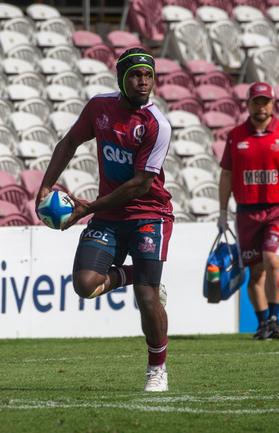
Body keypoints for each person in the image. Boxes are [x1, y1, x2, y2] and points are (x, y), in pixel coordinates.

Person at [35, 48, 173, 392]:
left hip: (148, 213)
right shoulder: (100, 108)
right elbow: (68, 143)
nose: (143, 82)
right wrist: (46, 187)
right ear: (121, 79)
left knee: (146, 297)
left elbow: (140, 185)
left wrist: (88, 208)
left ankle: (157, 368)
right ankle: (138, 275)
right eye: (135, 75)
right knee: (85, 284)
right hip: (109, 216)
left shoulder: (157, 125)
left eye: (148, 76)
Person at [217, 81, 279, 340]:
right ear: (248, 104)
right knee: (255, 272)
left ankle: (275, 318)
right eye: (256, 101)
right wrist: (221, 211)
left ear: (273, 104)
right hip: (246, 210)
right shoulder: (236, 136)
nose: (261, 106)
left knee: (273, 259)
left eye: (266, 101)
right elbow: (226, 174)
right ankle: (264, 323)